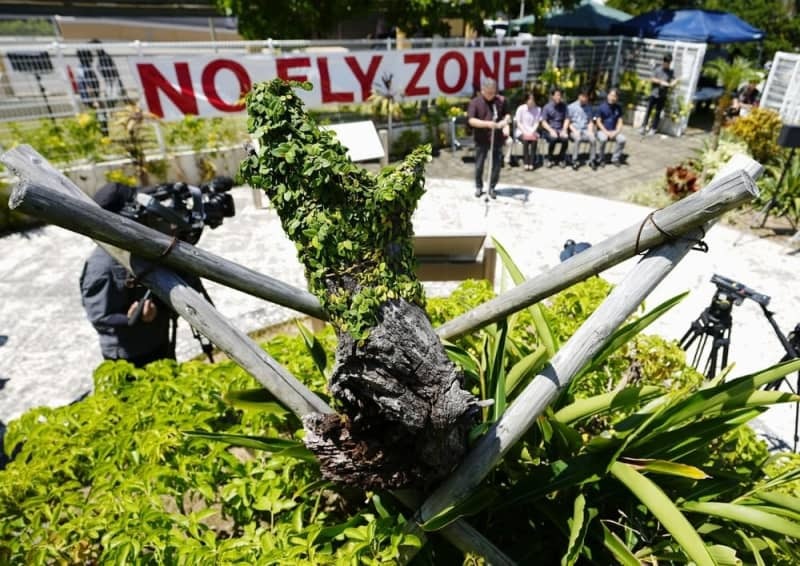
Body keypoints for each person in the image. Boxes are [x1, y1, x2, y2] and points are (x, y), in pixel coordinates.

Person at [80, 182, 177, 367]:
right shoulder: (102, 266)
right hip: (131, 357)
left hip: (157, 341)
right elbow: (99, 317)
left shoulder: (136, 250)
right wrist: (134, 317)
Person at [467, 79, 510, 199]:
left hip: (497, 138)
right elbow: (471, 120)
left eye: (493, 92)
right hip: (481, 139)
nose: (491, 95)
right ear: (482, 90)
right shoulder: (475, 102)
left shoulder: (500, 101)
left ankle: (491, 187)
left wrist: (504, 122)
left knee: (496, 165)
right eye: (489, 92)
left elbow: (507, 114)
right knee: (479, 164)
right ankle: (479, 186)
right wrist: (487, 124)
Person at [641, 54, 677, 136]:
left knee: (658, 113)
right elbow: (652, 79)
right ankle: (643, 127)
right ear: (663, 61)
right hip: (654, 94)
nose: (666, 64)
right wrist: (661, 82)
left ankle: (653, 128)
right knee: (648, 111)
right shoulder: (657, 69)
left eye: (668, 63)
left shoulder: (671, 72)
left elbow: (673, 80)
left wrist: (673, 83)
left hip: (663, 96)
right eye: (665, 62)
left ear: (670, 63)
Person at [75, 48, 108, 136]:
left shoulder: (80, 68)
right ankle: (104, 135)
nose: (92, 57)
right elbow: (89, 86)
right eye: (90, 55)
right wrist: (95, 100)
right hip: (91, 98)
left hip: (85, 97)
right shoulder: (87, 69)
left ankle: (98, 134)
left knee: (94, 116)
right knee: (101, 115)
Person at [567, 86, 597, 170]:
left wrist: (590, 131)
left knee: (593, 139)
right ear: (579, 96)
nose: (585, 99)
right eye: (583, 96)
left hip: (585, 130)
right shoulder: (571, 107)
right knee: (578, 138)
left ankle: (592, 160)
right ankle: (574, 160)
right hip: (574, 130)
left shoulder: (589, 107)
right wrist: (574, 130)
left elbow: (590, 121)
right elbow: (568, 122)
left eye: (587, 97)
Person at [90, 39, 127, 105]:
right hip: (109, 83)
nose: (92, 50)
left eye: (93, 48)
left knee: (111, 102)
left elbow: (114, 72)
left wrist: (119, 85)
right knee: (111, 102)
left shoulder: (105, 57)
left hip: (112, 83)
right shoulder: (101, 58)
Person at [595, 87, 626, 166]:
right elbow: (598, 122)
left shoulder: (618, 108)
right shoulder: (601, 107)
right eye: (611, 95)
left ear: (617, 98)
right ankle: (601, 159)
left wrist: (616, 132)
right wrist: (606, 132)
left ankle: (615, 158)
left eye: (615, 96)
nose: (613, 98)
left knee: (622, 139)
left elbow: (620, 122)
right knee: (603, 139)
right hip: (602, 131)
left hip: (613, 131)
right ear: (608, 95)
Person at [540, 87, 570, 168]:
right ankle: (549, 158)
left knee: (565, 139)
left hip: (560, 129)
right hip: (549, 130)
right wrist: (551, 130)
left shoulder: (564, 106)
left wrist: (564, 130)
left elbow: (567, 119)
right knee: (553, 138)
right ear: (552, 96)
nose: (559, 97)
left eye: (560, 95)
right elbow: (543, 122)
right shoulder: (547, 107)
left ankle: (561, 158)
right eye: (557, 95)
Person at [514, 91, 542, 171]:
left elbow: (537, 122)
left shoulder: (538, 109)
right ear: (526, 100)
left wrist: (532, 132)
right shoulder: (520, 108)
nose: (531, 101)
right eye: (530, 99)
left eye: (533, 99)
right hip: (521, 131)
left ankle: (532, 162)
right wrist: (525, 132)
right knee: (526, 140)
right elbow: (518, 122)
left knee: (534, 141)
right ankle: (526, 162)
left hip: (532, 131)